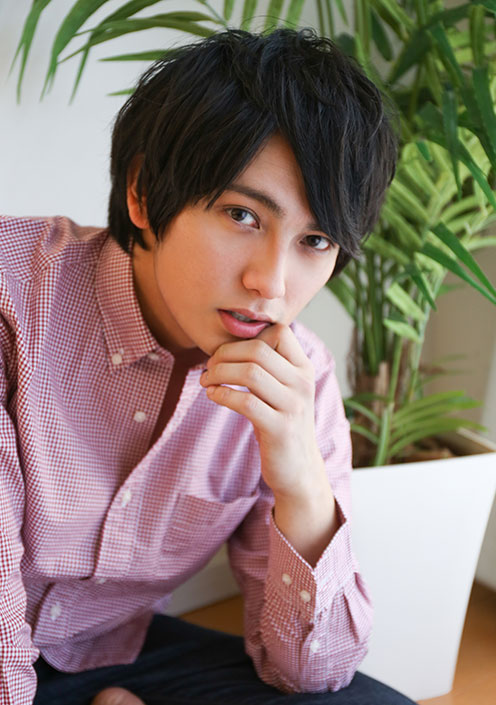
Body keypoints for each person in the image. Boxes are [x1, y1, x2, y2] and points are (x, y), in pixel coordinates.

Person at [0, 27, 414, 705]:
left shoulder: (300, 379)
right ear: (142, 192)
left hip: (107, 648)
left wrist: (302, 485)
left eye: (315, 239)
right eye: (242, 214)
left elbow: (311, 674)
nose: (271, 282)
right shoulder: (14, 301)